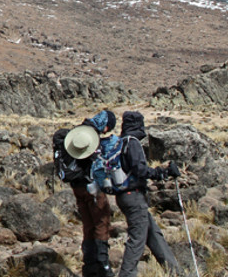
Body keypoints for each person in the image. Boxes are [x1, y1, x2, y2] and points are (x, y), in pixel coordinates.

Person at [113, 111, 182, 277]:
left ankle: (175, 272)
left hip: (125, 196)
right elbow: (140, 170)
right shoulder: (133, 142)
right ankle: (127, 274)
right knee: (137, 239)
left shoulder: (120, 143)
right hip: (134, 196)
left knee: (153, 234)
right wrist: (161, 172)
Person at [64, 110, 117, 277]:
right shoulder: (91, 137)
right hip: (91, 187)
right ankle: (103, 265)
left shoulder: (77, 133)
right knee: (101, 222)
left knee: (87, 224)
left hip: (76, 186)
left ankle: (89, 265)